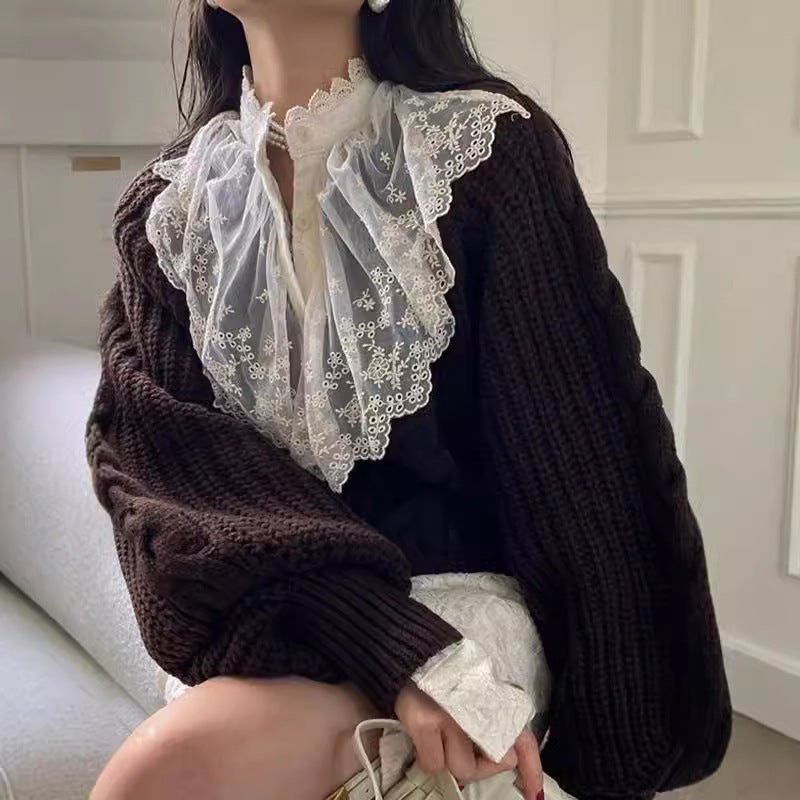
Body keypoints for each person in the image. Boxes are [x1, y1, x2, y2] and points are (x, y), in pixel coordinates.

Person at [85, 1, 732, 799]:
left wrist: (610, 751)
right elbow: (168, 487)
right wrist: (387, 643)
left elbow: (582, 471)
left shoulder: (486, 152)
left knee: (162, 769)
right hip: (276, 607)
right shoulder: (164, 213)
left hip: (467, 602)